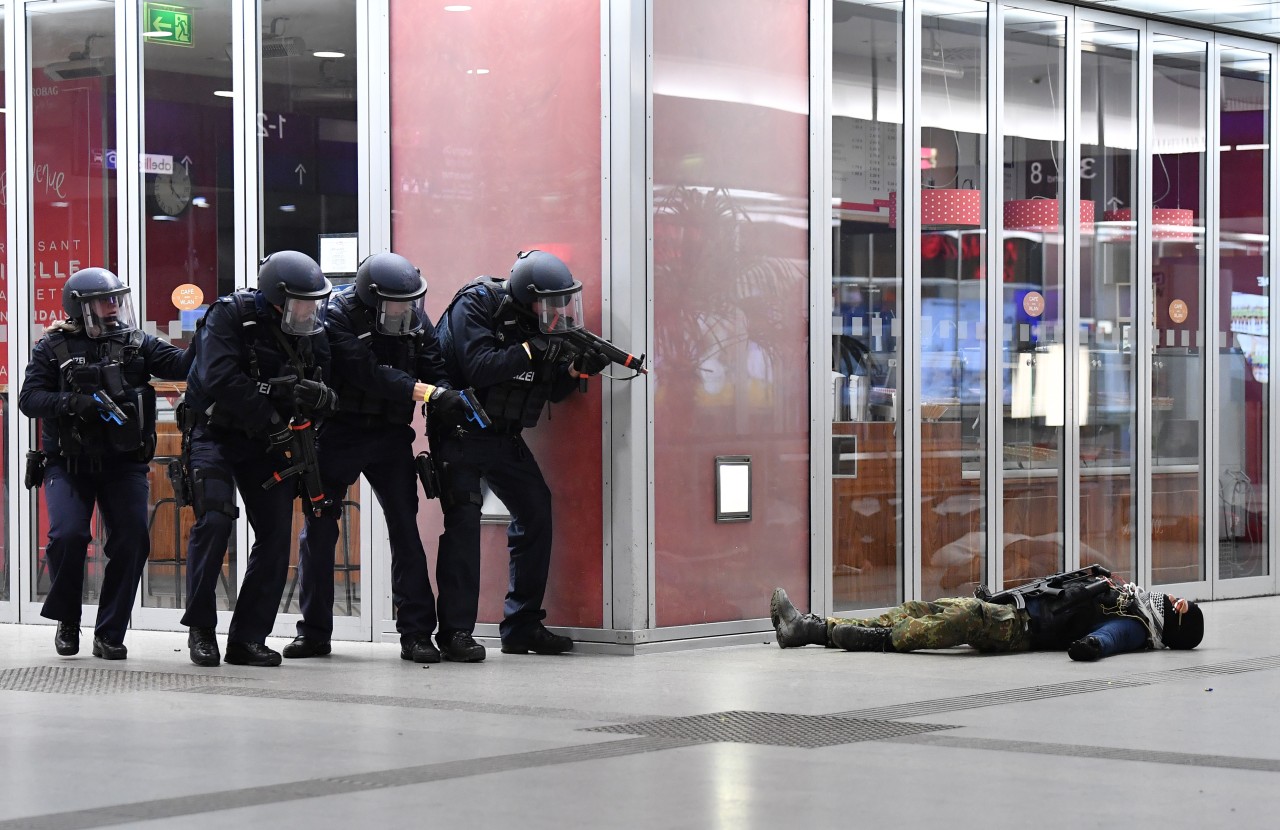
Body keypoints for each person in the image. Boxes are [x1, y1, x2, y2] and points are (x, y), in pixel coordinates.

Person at [285, 252, 482, 663]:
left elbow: (433, 364)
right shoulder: (335, 315)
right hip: (339, 432)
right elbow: (367, 373)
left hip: (390, 436)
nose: (405, 310)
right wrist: (430, 393)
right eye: (395, 304)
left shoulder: (412, 313)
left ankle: (416, 635)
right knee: (320, 532)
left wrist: (446, 394)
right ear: (372, 300)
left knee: (405, 532)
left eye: (410, 302)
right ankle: (315, 633)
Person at [432, 249, 610, 660]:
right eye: (548, 303)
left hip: (502, 436)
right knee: (463, 523)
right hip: (459, 430)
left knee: (535, 510)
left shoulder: (542, 324)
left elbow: (552, 392)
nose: (557, 311)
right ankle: (455, 633)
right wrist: (533, 348)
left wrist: (574, 370)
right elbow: (479, 367)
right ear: (525, 296)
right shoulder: (476, 303)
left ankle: (522, 626)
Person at [19, 267, 194, 660]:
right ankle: (67, 619)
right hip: (68, 464)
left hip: (123, 464)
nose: (113, 306)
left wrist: (211, 331)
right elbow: (28, 399)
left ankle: (110, 632)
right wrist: (71, 402)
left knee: (133, 540)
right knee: (68, 537)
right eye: (104, 299)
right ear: (80, 308)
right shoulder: (53, 347)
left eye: (117, 298)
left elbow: (183, 368)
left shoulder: (137, 343)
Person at [180, 251, 337, 668]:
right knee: (213, 521)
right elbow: (219, 378)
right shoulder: (228, 316)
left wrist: (322, 399)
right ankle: (201, 630)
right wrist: (271, 415)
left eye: (313, 302)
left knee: (275, 534)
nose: (309, 310)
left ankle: (248, 639)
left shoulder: (309, 327)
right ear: (276, 298)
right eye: (302, 302)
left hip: (266, 442)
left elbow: (326, 375)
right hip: (214, 433)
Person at [769, 565, 1204, 660]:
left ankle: (860, 637)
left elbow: (1108, 640)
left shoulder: (1137, 626)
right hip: (1015, 607)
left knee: (955, 619)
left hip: (1021, 628)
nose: (1179, 601)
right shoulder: (1130, 595)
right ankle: (812, 628)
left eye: (1185, 610)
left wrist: (1090, 645)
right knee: (921, 608)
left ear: (1178, 627)